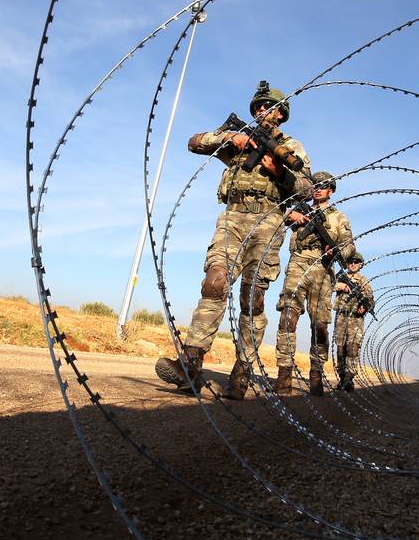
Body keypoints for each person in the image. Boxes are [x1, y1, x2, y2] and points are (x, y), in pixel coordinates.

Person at [155, 81, 313, 399]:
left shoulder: (292, 147)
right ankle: (190, 364)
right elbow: (194, 142)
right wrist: (229, 138)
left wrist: (279, 172)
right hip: (233, 218)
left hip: (269, 223)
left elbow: (307, 188)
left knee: (252, 300)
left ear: (282, 114)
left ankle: (242, 371)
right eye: (256, 106)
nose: (260, 110)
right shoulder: (240, 140)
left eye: (268, 106)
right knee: (214, 282)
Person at [275, 171, 355, 397]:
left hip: (323, 269)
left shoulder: (339, 217)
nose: (318, 189)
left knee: (319, 325)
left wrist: (336, 250)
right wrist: (290, 217)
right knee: (288, 317)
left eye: (324, 186)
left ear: (331, 191)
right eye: (316, 185)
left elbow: (349, 247)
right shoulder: (299, 207)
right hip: (298, 263)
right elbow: (275, 221)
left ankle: (316, 375)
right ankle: (284, 374)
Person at [333, 253, 374, 392]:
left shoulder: (363, 281)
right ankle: (342, 377)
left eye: (356, 262)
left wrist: (365, 307)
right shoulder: (340, 277)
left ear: (360, 264)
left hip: (355, 319)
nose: (353, 264)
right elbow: (328, 285)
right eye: (350, 261)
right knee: (340, 350)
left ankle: (349, 379)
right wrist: (341, 286)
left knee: (352, 349)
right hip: (341, 317)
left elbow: (370, 299)